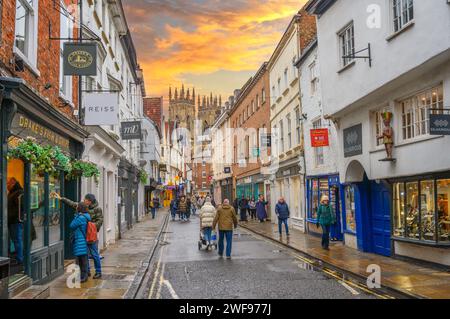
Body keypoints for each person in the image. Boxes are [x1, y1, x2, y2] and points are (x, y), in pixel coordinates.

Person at [52, 192, 103, 279]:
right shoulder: (83, 206)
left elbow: (100, 221)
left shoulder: (97, 209)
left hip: (91, 235)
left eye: (85, 200)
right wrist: (61, 199)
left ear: (90, 201)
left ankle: (98, 271)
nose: (84, 201)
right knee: (85, 254)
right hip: (83, 236)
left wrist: (90, 226)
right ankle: (87, 271)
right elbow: (72, 203)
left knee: (94, 254)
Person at [70, 202, 91, 283]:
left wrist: (76, 215)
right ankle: (83, 276)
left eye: (77, 207)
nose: (76, 208)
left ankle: (84, 277)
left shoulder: (81, 218)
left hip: (80, 240)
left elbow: (71, 225)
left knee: (82, 260)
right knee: (83, 259)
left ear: (80, 208)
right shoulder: (86, 216)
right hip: (83, 240)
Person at [7, 178, 24, 266]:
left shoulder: (18, 193)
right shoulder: (12, 193)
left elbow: (20, 208)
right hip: (12, 221)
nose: (7, 185)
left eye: (8, 183)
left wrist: (12, 216)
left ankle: (20, 259)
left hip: (15, 221)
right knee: (15, 240)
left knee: (17, 240)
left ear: (13, 183)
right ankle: (17, 257)